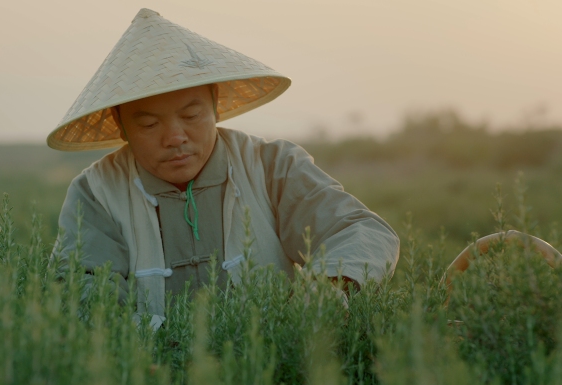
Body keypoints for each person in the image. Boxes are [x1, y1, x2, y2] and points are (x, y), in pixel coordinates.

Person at [48, 8, 399, 326]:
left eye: (191, 115)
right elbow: (82, 285)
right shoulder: (96, 191)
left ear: (215, 104)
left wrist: (326, 287)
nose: (175, 137)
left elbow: (362, 232)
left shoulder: (270, 165)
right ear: (120, 125)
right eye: (149, 124)